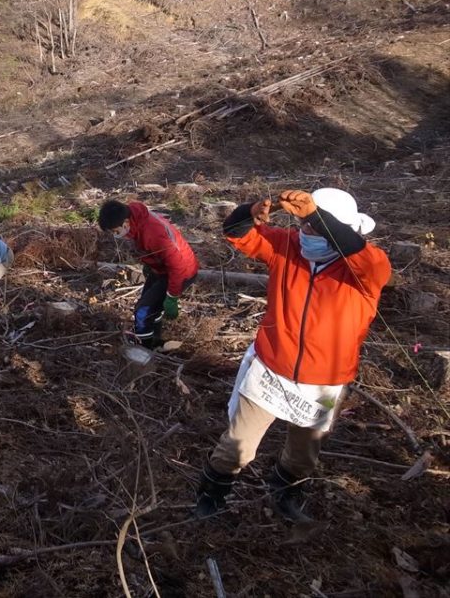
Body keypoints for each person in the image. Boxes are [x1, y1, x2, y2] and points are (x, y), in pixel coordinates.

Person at [195, 188, 391, 522]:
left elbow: (361, 255)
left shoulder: (367, 269)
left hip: (325, 383)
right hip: (271, 368)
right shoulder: (287, 247)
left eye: (315, 227)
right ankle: (210, 498)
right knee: (236, 445)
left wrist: (315, 215)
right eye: (304, 226)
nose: (307, 234)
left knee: (303, 455)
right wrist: (249, 211)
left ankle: (286, 493)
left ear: (342, 230)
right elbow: (235, 233)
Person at [98, 199, 199, 349]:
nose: (116, 235)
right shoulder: (136, 218)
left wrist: (172, 297)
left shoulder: (153, 233)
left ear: (125, 222)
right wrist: (150, 264)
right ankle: (155, 340)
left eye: (115, 231)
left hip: (181, 271)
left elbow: (177, 265)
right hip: (162, 268)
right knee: (152, 307)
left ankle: (143, 348)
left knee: (143, 311)